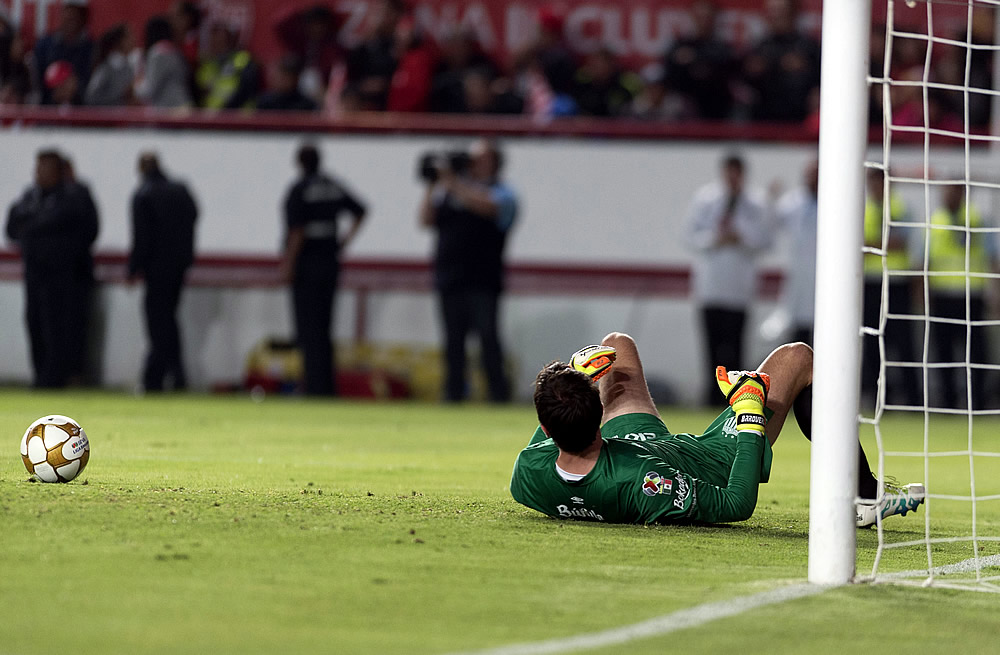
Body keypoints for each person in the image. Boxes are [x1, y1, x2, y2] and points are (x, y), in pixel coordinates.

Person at [510, 333, 926, 527]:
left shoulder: (529, 475)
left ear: (547, 429)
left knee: (618, 346)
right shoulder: (644, 481)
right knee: (798, 357)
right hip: (705, 460)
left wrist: (579, 381)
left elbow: (553, 425)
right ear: (596, 419)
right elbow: (735, 504)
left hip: (635, 443)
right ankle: (865, 495)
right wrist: (749, 412)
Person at [419, 138, 518, 403]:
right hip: (450, 277)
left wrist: (452, 181)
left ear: (494, 163)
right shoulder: (451, 191)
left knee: (487, 339)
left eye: (480, 158)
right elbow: (426, 219)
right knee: (453, 341)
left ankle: (498, 395)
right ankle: (453, 395)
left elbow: (489, 207)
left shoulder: (503, 193)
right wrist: (433, 184)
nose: (473, 164)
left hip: (483, 279)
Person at [5, 149, 99, 388]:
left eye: (44, 168)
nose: (38, 174)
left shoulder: (74, 195)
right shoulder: (31, 196)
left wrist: (35, 226)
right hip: (35, 272)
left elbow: (79, 227)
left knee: (59, 326)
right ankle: (41, 375)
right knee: (34, 322)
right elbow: (12, 227)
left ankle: (57, 377)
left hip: (64, 274)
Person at [281, 144, 367, 396]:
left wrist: (288, 264)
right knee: (325, 327)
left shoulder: (299, 190)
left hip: (306, 265)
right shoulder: (332, 186)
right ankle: (327, 387)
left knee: (308, 329)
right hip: (330, 263)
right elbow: (361, 211)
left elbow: (297, 231)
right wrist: (343, 242)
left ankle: (312, 386)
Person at [685, 154, 769, 405]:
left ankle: (736, 395)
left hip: (739, 287)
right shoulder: (706, 199)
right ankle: (711, 395)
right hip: (710, 286)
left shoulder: (755, 203)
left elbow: (765, 239)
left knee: (736, 345)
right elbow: (690, 235)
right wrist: (715, 239)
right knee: (712, 345)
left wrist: (740, 236)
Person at [128, 153, 199, 392]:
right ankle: (175, 374)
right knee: (169, 320)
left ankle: (154, 377)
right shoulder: (181, 190)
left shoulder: (144, 195)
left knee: (157, 322)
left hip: (155, 268)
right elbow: (193, 218)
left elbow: (142, 237)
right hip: (178, 266)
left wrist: (133, 268)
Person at [927, 184, 997, 410]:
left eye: (953, 191)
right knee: (944, 352)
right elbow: (924, 261)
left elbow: (991, 257)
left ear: (962, 194)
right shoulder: (934, 220)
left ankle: (976, 401)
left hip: (971, 295)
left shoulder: (976, 219)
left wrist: (994, 291)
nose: (948, 196)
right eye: (946, 192)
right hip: (943, 295)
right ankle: (947, 402)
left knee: (976, 353)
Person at [861, 168, 920, 409]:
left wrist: (869, 244)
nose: (875, 187)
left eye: (879, 182)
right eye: (872, 182)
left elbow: (899, 243)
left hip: (897, 282)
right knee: (872, 343)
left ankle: (912, 399)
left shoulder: (900, 208)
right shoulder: (863, 209)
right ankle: (875, 399)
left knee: (904, 344)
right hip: (871, 284)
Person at [773, 159, 818, 344]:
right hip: (799, 276)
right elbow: (770, 224)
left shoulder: (836, 201)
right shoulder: (791, 202)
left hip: (824, 276)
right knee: (798, 334)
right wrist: (769, 199)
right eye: (809, 175)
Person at [32, 1, 93, 105]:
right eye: (66, 16)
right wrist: (53, 90)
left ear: (83, 20)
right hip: (46, 107)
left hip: (80, 109)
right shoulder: (44, 45)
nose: (69, 21)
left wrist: (74, 88)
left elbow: (92, 81)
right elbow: (35, 78)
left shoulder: (91, 49)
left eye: (74, 17)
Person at [135, 15, 192, 108]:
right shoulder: (173, 50)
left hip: (172, 111)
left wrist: (135, 85)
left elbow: (149, 90)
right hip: (182, 107)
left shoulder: (158, 52)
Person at [84, 23, 135, 106]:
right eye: (129, 37)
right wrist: (121, 92)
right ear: (120, 41)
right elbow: (91, 97)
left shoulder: (128, 67)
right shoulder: (105, 68)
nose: (133, 40)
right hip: (106, 117)